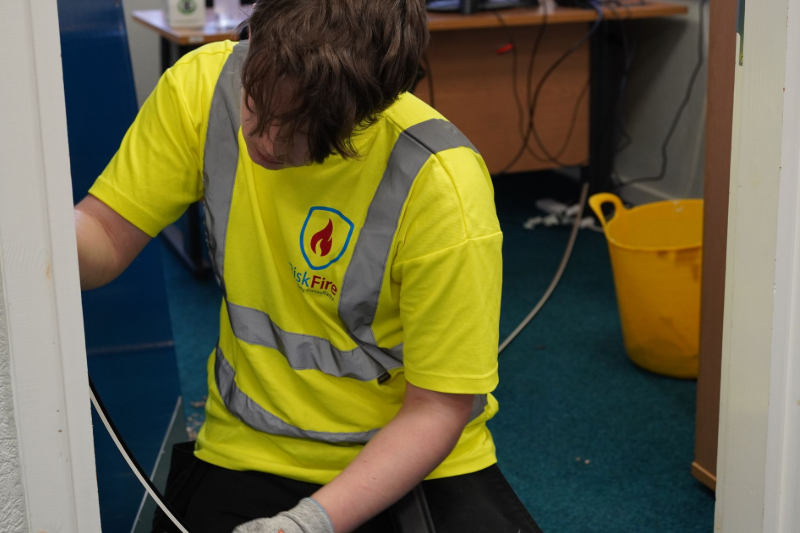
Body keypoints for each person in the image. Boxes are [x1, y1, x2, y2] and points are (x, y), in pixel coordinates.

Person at [74, 1, 543, 532]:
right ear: (253, 39)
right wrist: (34, 237)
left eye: (300, 129)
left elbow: (437, 409)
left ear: (373, 106)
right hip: (252, 445)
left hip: (413, 457)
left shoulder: (441, 185)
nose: (264, 142)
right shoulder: (202, 87)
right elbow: (105, 236)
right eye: (257, 102)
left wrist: (307, 524)